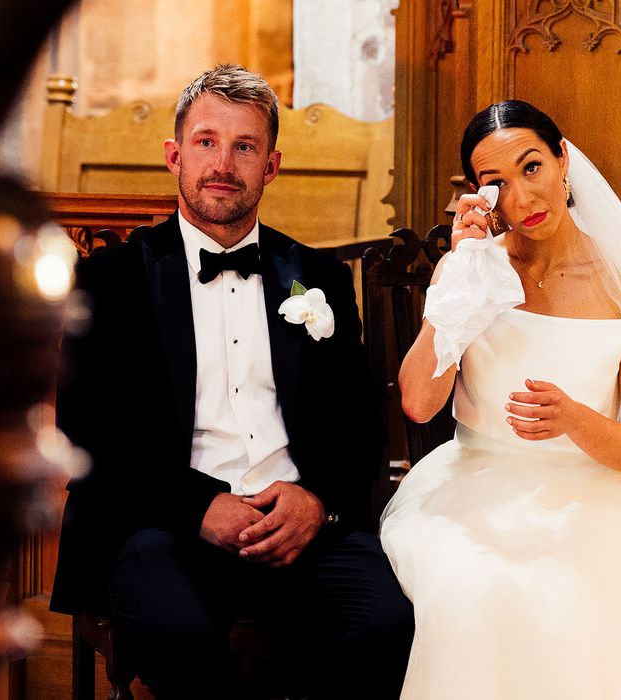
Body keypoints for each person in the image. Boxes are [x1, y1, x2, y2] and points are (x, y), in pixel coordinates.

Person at [50, 64, 413, 699]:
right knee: (179, 633)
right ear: (175, 155)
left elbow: (357, 422)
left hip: (300, 523)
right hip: (163, 524)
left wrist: (317, 502)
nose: (224, 163)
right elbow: (87, 432)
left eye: (245, 146)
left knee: (385, 623)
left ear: (271, 166)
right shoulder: (109, 281)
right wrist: (198, 508)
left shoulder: (319, 278)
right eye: (207, 141)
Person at [380, 100, 621, 699]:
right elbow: (418, 403)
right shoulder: (471, 273)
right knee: (487, 589)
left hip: (602, 491)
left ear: (563, 159)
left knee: (598, 593)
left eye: (532, 167)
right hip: (476, 487)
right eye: (497, 183)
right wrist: (462, 277)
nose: (522, 197)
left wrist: (574, 419)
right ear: (479, 195)